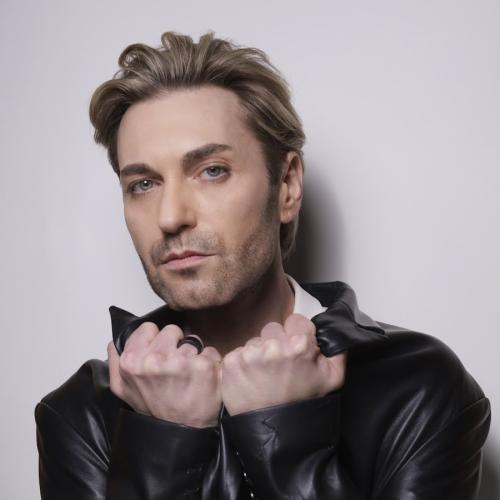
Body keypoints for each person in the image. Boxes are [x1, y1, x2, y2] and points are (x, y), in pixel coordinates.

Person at [34, 31, 491, 500]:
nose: (170, 217)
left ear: (287, 186)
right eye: (143, 184)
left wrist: (284, 433)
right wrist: (165, 438)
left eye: (212, 170)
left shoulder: (416, 386)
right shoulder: (81, 414)